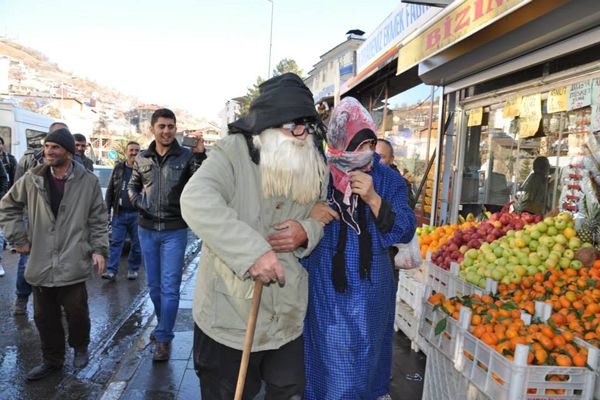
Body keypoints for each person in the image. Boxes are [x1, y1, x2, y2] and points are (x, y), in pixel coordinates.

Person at [180, 72, 328, 399]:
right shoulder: (232, 151)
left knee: (289, 391)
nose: (303, 135)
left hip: (287, 316)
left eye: (307, 126)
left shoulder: (311, 156)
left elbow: (323, 208)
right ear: (268, 126)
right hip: (230, 318)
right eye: (294, 127)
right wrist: (253, 253)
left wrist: (308, 230)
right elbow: (195, 199)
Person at [302, 97, 416, 399]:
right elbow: (290, 218)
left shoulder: (387, 178)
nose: (365, 154)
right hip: (326, 284)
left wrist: (374, 199)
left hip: (372, 288)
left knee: (366, 357)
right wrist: (310, 216)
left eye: (369, 145)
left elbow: (405, 228)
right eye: (357, 146)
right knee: (327, 359)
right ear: (340, 144)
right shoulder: (317, 175)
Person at [0, 128, 108, 381]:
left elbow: (99, 219)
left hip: (73, 258)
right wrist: (19, 238)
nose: (48, 151)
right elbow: (7, 206)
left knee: (77, 312)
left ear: (68, 152)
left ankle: (80, 347)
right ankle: (52, 360)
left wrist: (99, 250)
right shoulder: (32, 178)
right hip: (40, 261)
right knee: (43, 318)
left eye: (55, 147)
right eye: (47, 146)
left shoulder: (88, 181)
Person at [128, 108, 206, 361]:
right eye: (161, 126)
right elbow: (133, 186)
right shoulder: (142, 157)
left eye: (171, 126)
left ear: (176, 128)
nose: (166, 131)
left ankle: (163, 337)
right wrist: (142, 204)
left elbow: (199, 183)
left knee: (170, 288)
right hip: (146, 229)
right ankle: (164, 326)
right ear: (153, 128)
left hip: (175, 230)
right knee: (154, 287)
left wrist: (200, 154)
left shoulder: (185, 156)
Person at [12, 121, 68, 316]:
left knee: (61, 261)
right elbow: (15, 194)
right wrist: (19, 233)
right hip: (33, 219)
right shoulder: (29, 159)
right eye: (52, 139)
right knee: (26, 262)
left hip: (63, 221)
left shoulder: (77, 160)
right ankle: (21, 298)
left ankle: (56, 301)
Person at [102, 141, 142, 281]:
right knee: (115, 243)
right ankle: (111, 271)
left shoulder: (143, 169)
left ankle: (133, 269)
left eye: (137, 150)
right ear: (126, 152)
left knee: (137, 244)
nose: (134, 152)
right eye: (131, 150)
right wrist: (107, 210)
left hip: (137, 214)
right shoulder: (118, 168)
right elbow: (110, 190)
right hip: (119, 213)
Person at [375, 138, 416, 208]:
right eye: (371, 155)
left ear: (391, 160)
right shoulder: (360, 178)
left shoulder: (401, 184)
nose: (375, 160)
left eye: (381, 157)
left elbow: (404, 211)